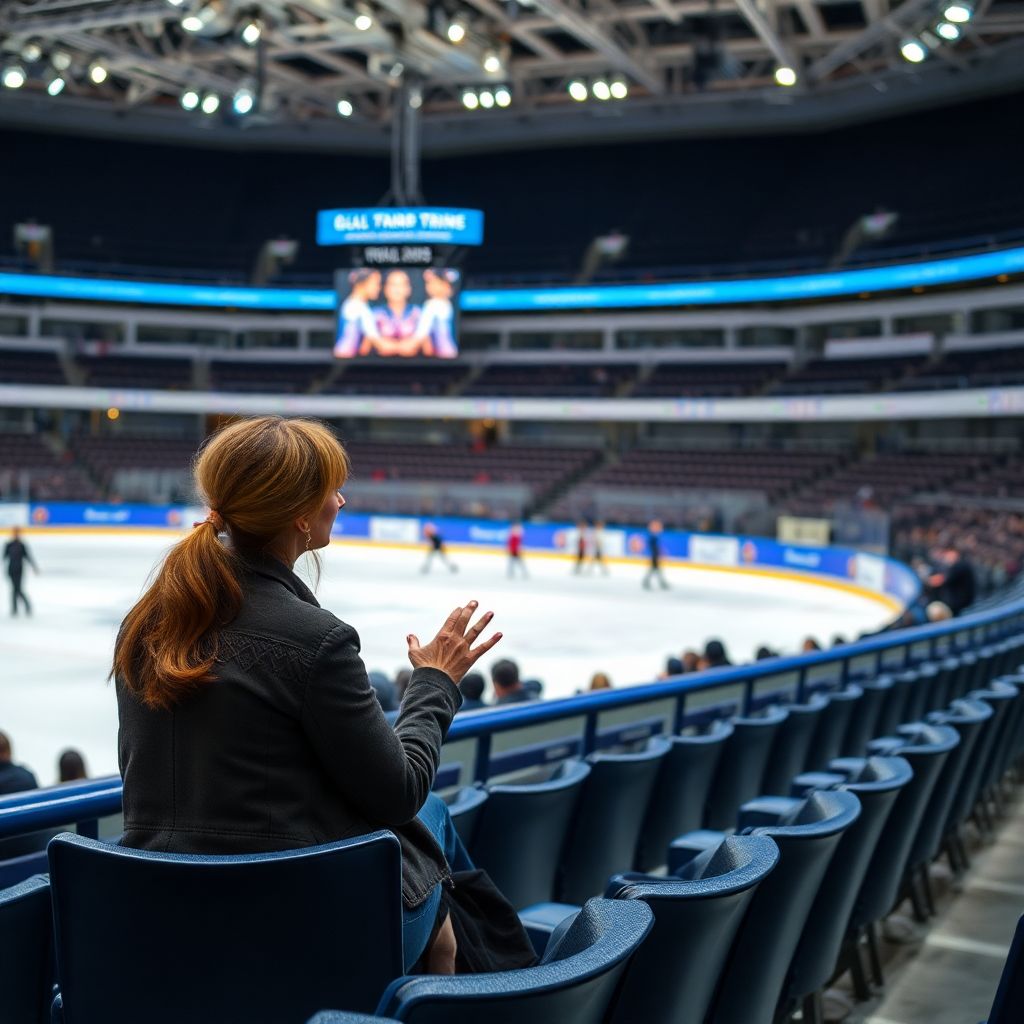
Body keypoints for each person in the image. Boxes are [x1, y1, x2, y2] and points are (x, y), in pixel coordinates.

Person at [112, 416, 503, 974]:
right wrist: (435, 683)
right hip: (285, 921)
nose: (341, 500)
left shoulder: (144, 622)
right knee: (433, 820)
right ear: (298, 514)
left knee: (434, 862)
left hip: (156, 906)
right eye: (331, 490)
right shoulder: (316, 640)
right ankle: (495, 976)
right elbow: (399, 791)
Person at [366, 269, 422, 356]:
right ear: (385, 289)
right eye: (393, 285)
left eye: (402, 285)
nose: (397, 289)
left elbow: (427, 349)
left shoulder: (418, 313)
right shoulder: (374, 314)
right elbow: (367, 347)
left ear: (409, 289)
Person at [334, 269, 384, 357]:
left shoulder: (357, 305)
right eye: (376, 283)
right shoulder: (356, 306)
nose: (378, 288)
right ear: (361, 284)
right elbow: (376, 343)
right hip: (346, 360)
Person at [412, 269, 459, 358]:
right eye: (429, 283)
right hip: (447, 352)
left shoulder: (434, 304)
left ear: (447, 286)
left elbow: (420, 334)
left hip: (443, 353)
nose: (431, 286)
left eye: (436, 283)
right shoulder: (437, 303)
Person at [929, 548, 976, 615]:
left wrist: (931, 580)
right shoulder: (961, 565)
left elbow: (944, 579)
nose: (947, 557)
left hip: (962, 605)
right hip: (962, 603)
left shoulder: (960, 565)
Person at [4, 526, 38, 617]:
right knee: (14, 589)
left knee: (18, 589)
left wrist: (34, 567)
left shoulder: (22, 545)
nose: (16, 535)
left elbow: (28, 557)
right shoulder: (8, 545)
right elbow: (4, 557)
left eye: (18, 533)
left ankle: (25, 606)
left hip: (19, 570)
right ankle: (15, 608)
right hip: (11, 570)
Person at [642, 519, 669, 590]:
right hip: (654, 556)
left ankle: (647, 582)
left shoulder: (654, 536)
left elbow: (656, 547)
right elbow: (654, 547)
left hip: (655, 556)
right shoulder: (652, 537)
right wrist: (658, 553)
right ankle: (660, 583)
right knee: (655, 570)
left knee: (655, 570)